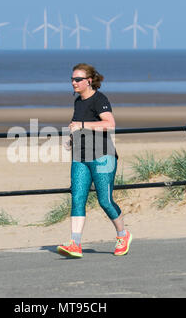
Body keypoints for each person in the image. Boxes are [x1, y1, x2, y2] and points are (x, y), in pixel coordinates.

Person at [57, 63, 132, 258]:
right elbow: (79, 127)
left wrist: (82, 124)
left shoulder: (100, 99)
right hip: (80, 157)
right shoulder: (78, 102)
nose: (74, 82)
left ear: (89, 81)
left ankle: (123, 235)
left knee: (105, 201)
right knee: (77, 199)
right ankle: (75, 243)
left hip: (102, 156)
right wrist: (71, 139)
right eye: (72, 79)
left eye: (78, 79)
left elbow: (110, 124)